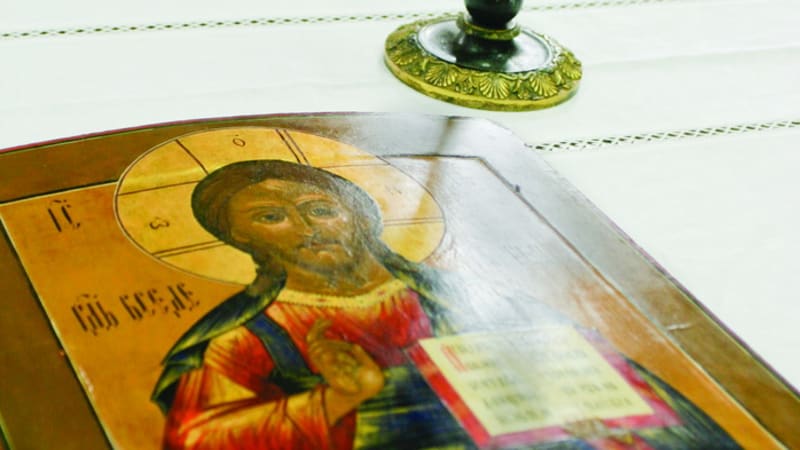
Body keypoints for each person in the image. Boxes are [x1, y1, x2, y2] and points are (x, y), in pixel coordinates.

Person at [152, 159, 738, 450]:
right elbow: (200, 437)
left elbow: (596, 381)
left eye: (321, 208)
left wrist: (598, 418)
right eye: (272, 216)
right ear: (243, 240)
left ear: (357, 216)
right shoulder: (247, 336)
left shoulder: (466, 295)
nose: (308, 227)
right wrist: (340, 397)